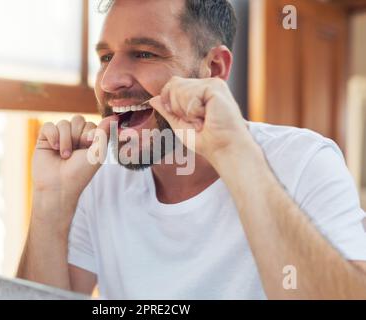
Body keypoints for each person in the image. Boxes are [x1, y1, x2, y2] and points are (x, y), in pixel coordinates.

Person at [18, 0, 366, 299]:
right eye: (106, 57)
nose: (110, 81)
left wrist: (235, 155)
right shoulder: (96, 179)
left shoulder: (305, 162)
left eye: (144, 53)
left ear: (213, 69)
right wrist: (52, 202)